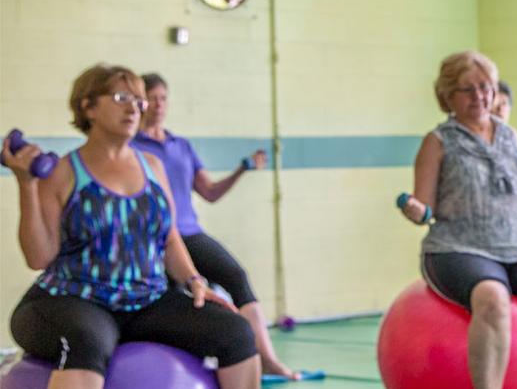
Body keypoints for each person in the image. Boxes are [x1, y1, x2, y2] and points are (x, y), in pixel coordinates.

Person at [4, 64, 260, 389]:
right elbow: (39, 258)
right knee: (87, 342)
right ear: (88, 106)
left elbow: (169, 239)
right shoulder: (65, 171)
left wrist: (194, 280)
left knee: (235, 332)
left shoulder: (152, 166)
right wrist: (26, 184)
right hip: (73, 299)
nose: (134, 107)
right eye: (121, 97)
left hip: (146, 299)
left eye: (139, 101)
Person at [130, 73, 313, 381]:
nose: (159, 105)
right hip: (156, 242)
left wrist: (242, 168)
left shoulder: (181, 146)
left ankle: (268, 359)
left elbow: (210, 192)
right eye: (152, 98)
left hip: (190, 234)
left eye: (164, 98)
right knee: (173, 301)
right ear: (141, 103)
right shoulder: (132, 148)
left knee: (236, 278)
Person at [397, 50, 517, 389]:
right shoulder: (438, 142)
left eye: (486, 87)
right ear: (448, 95)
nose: (480, 96)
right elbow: (425, 207)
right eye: (468, 89)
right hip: (458, 249)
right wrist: (416, 210)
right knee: (493, 298)